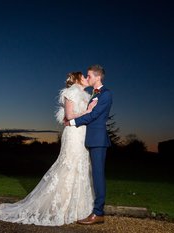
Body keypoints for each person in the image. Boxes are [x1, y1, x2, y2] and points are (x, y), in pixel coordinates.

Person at [0, 72, 98, 226]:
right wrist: (88, 111)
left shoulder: (86, 95)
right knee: (69, 165)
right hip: (73, 134)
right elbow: (70, 115)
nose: (86, 78)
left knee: (82, 167)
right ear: (77, 79)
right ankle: (60, 206)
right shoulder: (70, 92)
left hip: (83, 134)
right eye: (83, 76)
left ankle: (78, 209)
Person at [65, 64, 112, 225]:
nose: (87, 78)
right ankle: (95, 210)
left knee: (98, 176)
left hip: (98, 140)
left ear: (98, 77)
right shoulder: (93, 95)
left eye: (89, 75)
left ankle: (98, 213)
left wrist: (72, 122)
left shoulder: (105, 94)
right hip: (91, 139)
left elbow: (93, 115)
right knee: (94, 175)